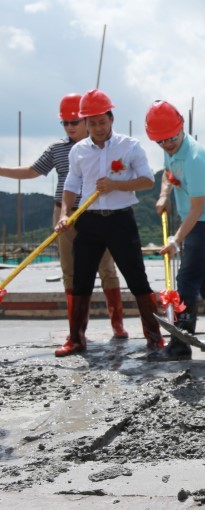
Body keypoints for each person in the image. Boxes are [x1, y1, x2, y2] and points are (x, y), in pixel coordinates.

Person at [0, 94, 129, 343]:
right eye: (65, 123)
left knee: (106, 269)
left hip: (96, 213)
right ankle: (76, 328)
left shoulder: (104, 148)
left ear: (87, 120)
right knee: (69, 271)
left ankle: (118, 325)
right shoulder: (57, 149)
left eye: (75, 122)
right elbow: (31, 171)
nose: (70, 127)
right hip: (65, 213)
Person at [54, 89, 164, 356]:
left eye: (102, 121)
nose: (98, 128)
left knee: (137, 277)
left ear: (111, 119)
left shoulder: (130, 146)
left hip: (121, 220)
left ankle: (154, 337)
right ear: (85, 124)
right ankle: (76, 339)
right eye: (91, 123)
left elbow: (147, 180)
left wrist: (116, 185)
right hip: (89, 221)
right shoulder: (79, 150)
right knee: (81, 280)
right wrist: (65, 214)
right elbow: (71, 183)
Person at [147, 100, 205, 361]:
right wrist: (164, 195)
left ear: (181, 128)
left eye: (171, 139)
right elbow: (167, 173)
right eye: (161, 141)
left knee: (187, 280)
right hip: (198, 219)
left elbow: (196, 210)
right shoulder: (171, 148)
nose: (167, 145)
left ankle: (180, 345)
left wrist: (176, 240)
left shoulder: (195, 159)